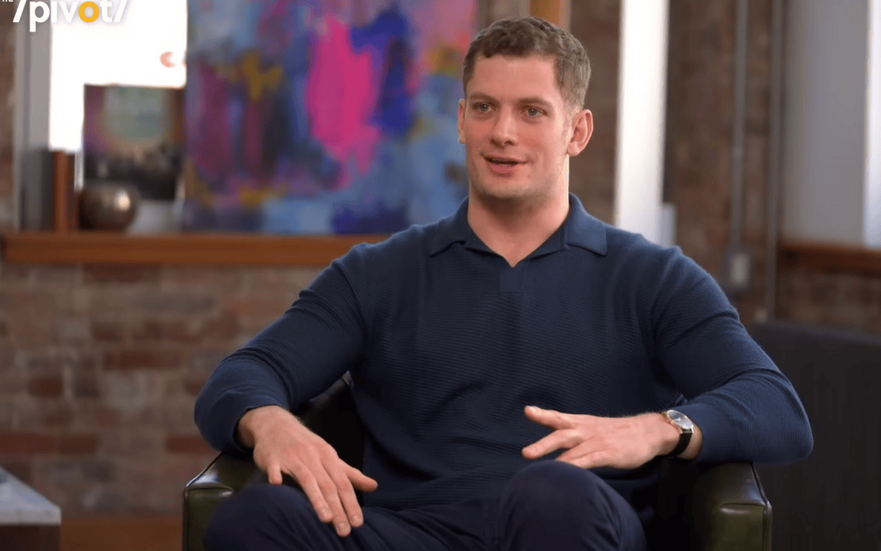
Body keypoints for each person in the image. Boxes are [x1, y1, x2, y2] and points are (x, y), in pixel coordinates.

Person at [197, 15, 813, 551]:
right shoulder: (378, 273)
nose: (503, 133)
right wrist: (270, 422)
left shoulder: (653, 277)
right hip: (412, 531)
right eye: (485, 107)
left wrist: (655, 429)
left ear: (577, 132)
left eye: (532, 111)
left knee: (551, 495)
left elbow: (776, 406)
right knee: (252, 518)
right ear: (461, 121)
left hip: (571, 522)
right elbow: (242, 375)